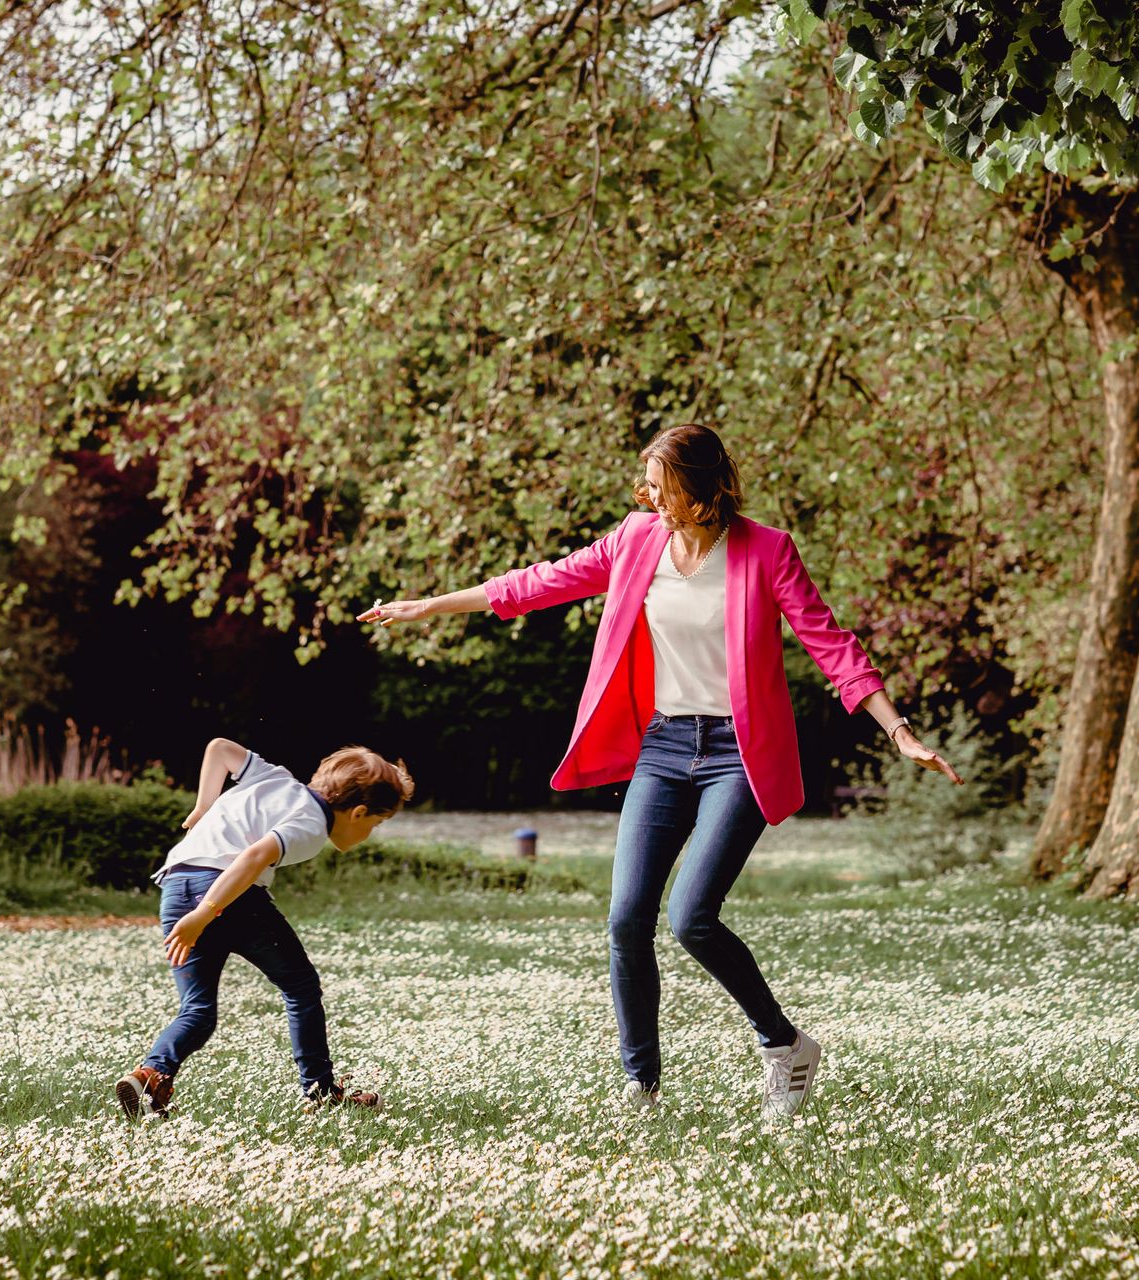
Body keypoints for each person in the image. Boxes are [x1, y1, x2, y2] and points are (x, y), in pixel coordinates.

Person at [361, 424, 961, 1119]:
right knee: (625, 918)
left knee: (692, 917)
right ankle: (640, 1086)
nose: (649, 495)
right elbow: (541, 583)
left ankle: (785, 1047)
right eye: (649, 484)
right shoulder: (637, 538)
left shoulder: (766, 551)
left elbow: (831, 644)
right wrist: (432, 605)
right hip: (665, 748)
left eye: (663, 485)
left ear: (703, 492)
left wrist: (900, 731)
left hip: (737, 754)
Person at [114, 736, 414, 1117]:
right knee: (301, 987)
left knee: (198, 1009)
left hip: (176, 886)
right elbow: (255, 855)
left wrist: (204, 805)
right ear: (358, 812)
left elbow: (219, 749)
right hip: (226, 898)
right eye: (377, 822)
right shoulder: (312, 826)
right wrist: (205, 913)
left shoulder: (273, 777)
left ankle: (150, 1075)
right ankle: (320, 1092)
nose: (370, 832)